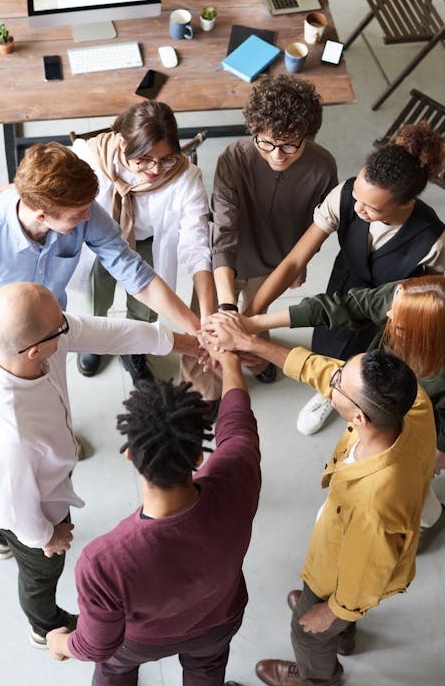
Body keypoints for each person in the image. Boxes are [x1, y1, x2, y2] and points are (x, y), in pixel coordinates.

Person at [201, 315, 436, 686]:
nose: (333, 378)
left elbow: (365, 577)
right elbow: (322, 370)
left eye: (340, 382)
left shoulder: (373, 506)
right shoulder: (412, 403)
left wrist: (331, 611)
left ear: (358, 417)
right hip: (353, 554)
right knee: (329, 612)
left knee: (306, 632)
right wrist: (252, 343)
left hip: (345, 572)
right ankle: (344, 635)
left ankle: (318, 677)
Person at [0, 282, 201, 648]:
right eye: (60, 327)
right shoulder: (15, 436)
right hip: (33, 508)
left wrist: (191, 344)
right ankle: (43, 626)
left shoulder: (40, 341)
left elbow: (111, 333)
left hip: (29, 477)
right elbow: (13, 506)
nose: (69, 326)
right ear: (32, 351)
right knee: (40, 572)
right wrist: (46, 536)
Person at [46, 345, 260, 686]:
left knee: (115, 670)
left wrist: (59, 643)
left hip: (139, 642)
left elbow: (97, 645)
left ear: (129, 455)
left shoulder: (103, 561)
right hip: (220, 618)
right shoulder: (238, 476)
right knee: (207, 669)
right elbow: (238, 426)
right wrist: (231, 361)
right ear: (199, 455)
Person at [216, 275, 445, 551]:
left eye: (399, 322)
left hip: (415, 439)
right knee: (412, 481)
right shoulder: (407, 298)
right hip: (392, 426)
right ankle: (432, 516)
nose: (387, 312)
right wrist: (251, 330)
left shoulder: (387, 468)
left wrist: (439, 448)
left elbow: (322, 372)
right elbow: (341, 313)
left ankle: (426, 520)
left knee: (412, 483)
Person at [244, 121, 445, 435]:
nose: (359, 208)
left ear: (406, 204)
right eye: (357, 197)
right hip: (344, 286)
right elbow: (295, 259)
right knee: (328, 340)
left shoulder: (433, 240)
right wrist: (250, 315)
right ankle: (329, 392)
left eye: (371, 207)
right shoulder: (346, 196)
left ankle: (354, 399)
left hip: (388, 312)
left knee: (369, 366)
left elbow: (428, 299)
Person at [0, 140, 199, 374]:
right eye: (78, 214)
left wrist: (196, 330)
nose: (88, 216)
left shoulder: (83, 209)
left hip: (52, 329)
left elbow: (133, 273)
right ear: (43, 215)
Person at [72, 100, 216, 391]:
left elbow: (197, 244)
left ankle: (133, 349)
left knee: (144, 308)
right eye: (144, 160)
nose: (155, 169)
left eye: (166, 159)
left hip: (146, 243)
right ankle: (94, 340)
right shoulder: (91, 156)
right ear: (123, 143)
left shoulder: (185, 178)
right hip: (99, 241)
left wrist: (206, 319)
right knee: (95, 297)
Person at [210, 73, 338, 384]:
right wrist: (228, 307)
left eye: (289, 145)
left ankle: (256, 361)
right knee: (212, 325)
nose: (276, 155)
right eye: (266, 142)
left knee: (256, 322)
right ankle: (206, 386)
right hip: (228, 260)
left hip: (276, 263)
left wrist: (297, 267)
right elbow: (223, 232)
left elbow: (315, 231)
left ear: (307, 135)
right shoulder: (233, 158)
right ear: (254, 130)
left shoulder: (323, 168)